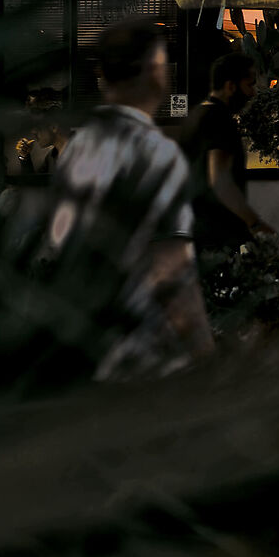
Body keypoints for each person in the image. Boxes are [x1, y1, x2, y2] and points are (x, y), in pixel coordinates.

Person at [46, 21, 213, 377]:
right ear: (156, 73)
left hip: (87, 343)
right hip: (144, 351)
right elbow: (171, 269)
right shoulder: (155, 152)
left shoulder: (78, 147)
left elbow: (61, 241)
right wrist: (205, 355)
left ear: (101, 77)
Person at [185, 53, 278, 250]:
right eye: (249, 85)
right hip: (216, 236)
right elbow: (219, 179)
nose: (253, 93)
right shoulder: (220, 119)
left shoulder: (197, 115)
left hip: (194, 232)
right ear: (230, 86)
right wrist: (255, 224)